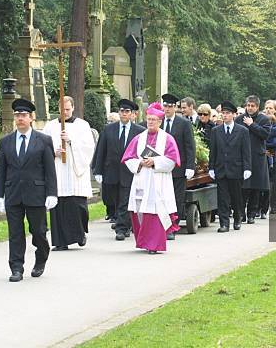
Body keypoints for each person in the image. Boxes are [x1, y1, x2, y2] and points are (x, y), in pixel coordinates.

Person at [0, 98, 57, 282]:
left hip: (36, 194)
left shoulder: (43, 140)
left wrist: (52, 193)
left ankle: (41, 258)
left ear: (31, 118)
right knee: (15, 233)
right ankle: (16, 268)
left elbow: (49, 170)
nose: (20, 118)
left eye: (23, 115)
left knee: (38, 231)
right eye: (17, 115)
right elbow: (2, 170)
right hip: (13, 193)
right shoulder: (6, 142)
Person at [121, 102, 181, 254]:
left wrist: (155, 161)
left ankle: (154, 245)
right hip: (142, 178)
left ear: (160, 121)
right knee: (141, 211)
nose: (150, 122)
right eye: (148, 119)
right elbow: (128, 158)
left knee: (155, 212)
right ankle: (143, 242)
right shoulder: (139, 138)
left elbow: (172, 160)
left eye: (154, 120)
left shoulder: (167, 139)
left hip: (158, 180)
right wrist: (140, 163)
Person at [42, 96, 94, 251]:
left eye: (68, 109)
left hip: (74, 170)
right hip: (57, 169)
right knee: (58, 207)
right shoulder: (50, 126)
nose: (65, 112)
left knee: (77, 205)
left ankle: (79, 235)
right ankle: (60, 241)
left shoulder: (82, 125)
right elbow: (42, 146)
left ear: (73, 108)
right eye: (62, 109)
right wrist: (53, 152)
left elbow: (88, 147)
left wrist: (71, 141)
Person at [92, 99, 145, 241]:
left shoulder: (139, 131)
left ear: (133, 114)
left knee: (125, 199)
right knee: (114, 199)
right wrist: (98, 170)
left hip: (129, 172)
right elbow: (101, 150)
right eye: (121, 111)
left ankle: (121, 228)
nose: (123, 114)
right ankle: (125, 224)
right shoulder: (109, 129)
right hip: (112, 171)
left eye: (127, 111)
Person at [208, 101, 252, 232]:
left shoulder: (242, 131)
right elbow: (213, 151)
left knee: (236, 196)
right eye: (223, 113)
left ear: (233, 115)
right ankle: (224, 223)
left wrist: (247, 168)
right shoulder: (216, 131)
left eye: (227, 113)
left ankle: (238, 217)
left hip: (236, 168)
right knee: (223, 198)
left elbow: (246, 150)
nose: (225, 116)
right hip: (221, 168)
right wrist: (211, 167)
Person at [161, 93, 196, 239]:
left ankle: (173, 226)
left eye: (170, 106)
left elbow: (190, 146)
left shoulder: (184, 124)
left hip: (178, 168)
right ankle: (162, 224)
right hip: (161, 168)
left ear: (175, 108)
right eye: (165, 106)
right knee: (162, 197)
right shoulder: (159, 122)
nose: (167, 109)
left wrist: (190, 166)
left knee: (176, 198)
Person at [235, 95, 271, 224]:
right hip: (242, 157)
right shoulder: (239, 119)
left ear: (257, 107)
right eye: (248, 105)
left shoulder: (264, 119)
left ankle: (251, 213)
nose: (250, 108)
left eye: (252, 106)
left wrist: (252, 125)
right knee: (242, 187)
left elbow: (265, 135)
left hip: (257, 156)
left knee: (255, 187)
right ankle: (240, 213)